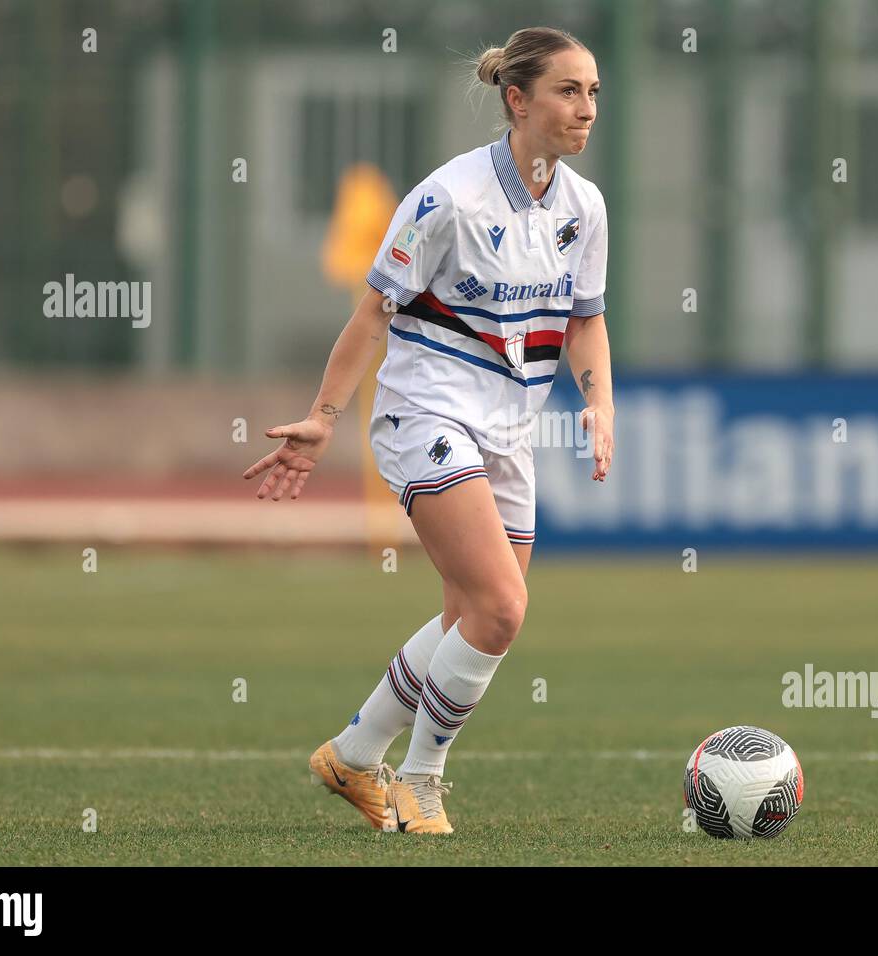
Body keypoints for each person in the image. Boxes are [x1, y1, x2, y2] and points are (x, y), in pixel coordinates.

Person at [243, 27, 614, 834]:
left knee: (467, 617)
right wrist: (324, 418)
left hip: (509, 431)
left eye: (592, 92)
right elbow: (372, 312)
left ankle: (352, 752)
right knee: (502, 609)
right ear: (517, 100)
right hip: (426, 415)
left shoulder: (584, 207)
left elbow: (587, 323)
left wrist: (599, 401)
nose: (586, 109)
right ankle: (421, 780)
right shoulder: (447, 199)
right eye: (567, 91)